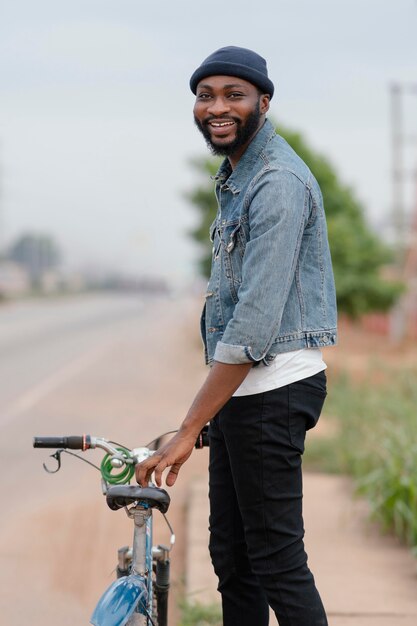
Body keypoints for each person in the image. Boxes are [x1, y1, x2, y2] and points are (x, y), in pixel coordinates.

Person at [136, 46, 337, 626]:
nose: (216, 107)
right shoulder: (239, 175)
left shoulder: (275, 182)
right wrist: (204, 418)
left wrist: (190, 426)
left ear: (263, 103)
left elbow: (252, 326)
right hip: (243, 393)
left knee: (276, 561)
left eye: (234, 95)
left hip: (271, 391)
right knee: (234, 560)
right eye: (206, 95)